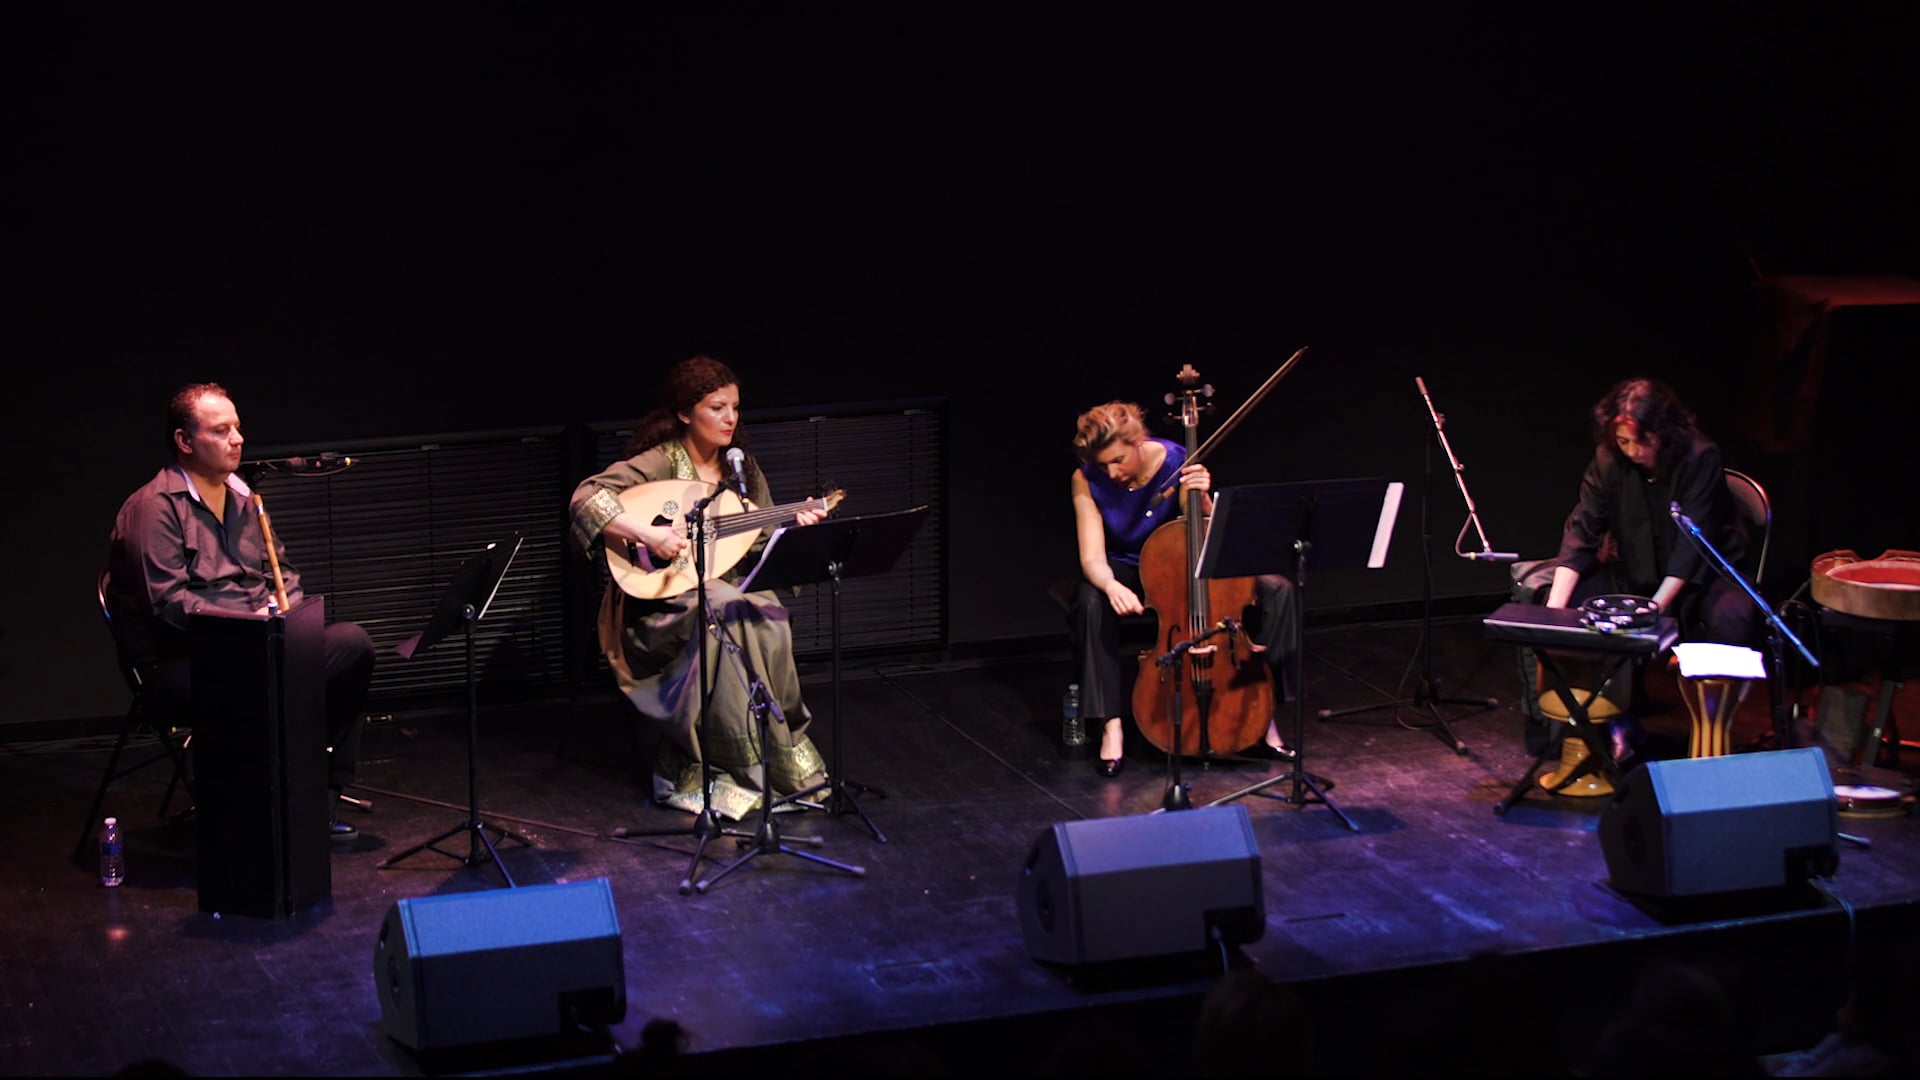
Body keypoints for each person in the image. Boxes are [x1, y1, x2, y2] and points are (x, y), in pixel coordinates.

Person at [105, 382, 375, 841]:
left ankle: (317, 796)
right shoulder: (154, 507)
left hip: (259, 642)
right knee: (258, 678)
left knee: (352, 645)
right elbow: (170, 606)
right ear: (185, 441)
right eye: (221, 430)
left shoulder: (244, 498)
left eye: (237, 428)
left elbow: (283, 572)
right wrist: (252, 626)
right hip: (181, 659)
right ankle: (246, 812)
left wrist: (285, 614)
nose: (237, 439)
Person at [569, 355, 827, 820]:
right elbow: (586, 498)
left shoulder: (739, 469)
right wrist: (650, 535)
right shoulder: (661, 461)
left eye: (734, 408)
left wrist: (796, 528)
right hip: (660, 599)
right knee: (727, 607)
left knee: (766, 613)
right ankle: (728, 769)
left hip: (721, 585)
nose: (730, 418)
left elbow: (761, 543)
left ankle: (775, 762)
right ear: (686, 413)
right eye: (717, 407)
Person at [1514, 377, 1755, 754]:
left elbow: (1690, 547)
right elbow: (1583, 530)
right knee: (1565, 602)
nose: (1633, 451)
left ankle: (1711, 735)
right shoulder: (1609, 459)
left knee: (1734, 615)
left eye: (1642, 441)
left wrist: (1653, 610)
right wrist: (1553, 614)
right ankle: (1605, 722)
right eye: (1624, 442)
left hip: (1704, 578)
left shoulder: (1699, 456)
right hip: (1639, 573)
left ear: (1664, 432)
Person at [1068, 401, 1299, 778]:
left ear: (1138, 443)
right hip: (1125, 566)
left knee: (1280, 591)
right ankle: (1111, 724)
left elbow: (1207, 530)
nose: (1111, 472)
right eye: (1103, 464)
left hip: (1178, 558)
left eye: (1118, 460)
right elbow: (1092, 556)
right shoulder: (1086, 479)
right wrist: (1110, 585)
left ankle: (1264, 712)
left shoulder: (1177, 460)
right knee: (1090, 602)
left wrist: (1203, 498)